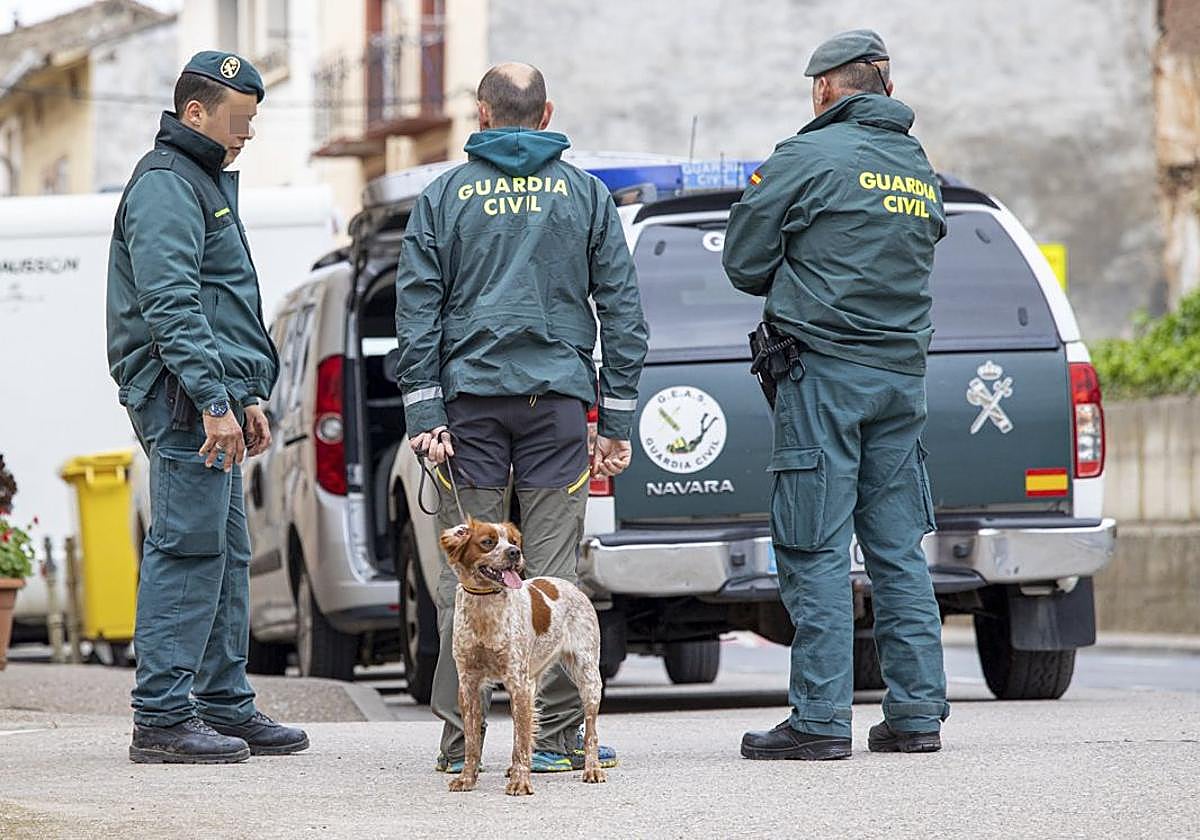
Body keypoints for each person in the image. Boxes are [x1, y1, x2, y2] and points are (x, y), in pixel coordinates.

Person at [395, 62, 648, 774]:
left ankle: (461, 744)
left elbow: (417, 309)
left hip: (468, 410)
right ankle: (557, 740)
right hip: (556, 408)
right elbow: (621, 309)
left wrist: (425, 410)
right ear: (547, 113)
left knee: (467, 570)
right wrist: (615, 421)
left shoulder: (443, 195)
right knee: (554, 575)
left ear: (481, 113)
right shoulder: (586, 195)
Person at [724, 30, 950, 760]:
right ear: (885, 87)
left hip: (823, 377)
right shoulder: (915, 165)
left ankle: (820, 720)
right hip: (900, 380)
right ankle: (916, 714)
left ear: (825, 88)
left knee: (814, 544)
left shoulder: (807, 156)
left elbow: (743, 262)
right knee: (896, 548)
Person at [107, 51, 308, 764]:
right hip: (183, 398)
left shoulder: (203, 179)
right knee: (187, 549)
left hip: (208, 395)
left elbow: (220, 303)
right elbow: (172, 304)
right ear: (195, 112)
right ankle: (162, 718)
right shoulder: (168, 183)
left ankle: (223, 703)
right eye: (238, 119)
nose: (248, 133)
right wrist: (214, 398)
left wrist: (243, 394)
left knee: (223, 553)